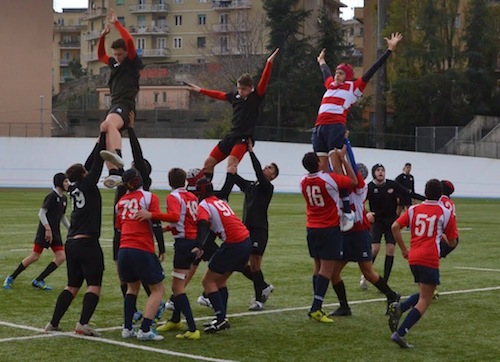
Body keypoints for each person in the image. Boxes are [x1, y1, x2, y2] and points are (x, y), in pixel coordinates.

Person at [312, 33, 403, 231]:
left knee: (336, 167)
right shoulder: (330, 85)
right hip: (319, 129)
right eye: (337, 72)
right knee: (322, 170)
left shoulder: (354, 87)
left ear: (349, 76)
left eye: (341, 73)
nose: (337, 75)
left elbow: (372, 70)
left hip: (335, 127)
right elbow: (325, 72)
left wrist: (389, 50)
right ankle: (332, 204)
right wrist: (321, 61)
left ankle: (346, 208)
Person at [103, 112, 166, 323]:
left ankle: (152, 306)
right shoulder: (126, 181)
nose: (130, 166)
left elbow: (137, 156)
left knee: (138, 277)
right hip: (121, 232)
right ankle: (136, 311)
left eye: (133, 165)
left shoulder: (140, 182)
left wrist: (130, 130)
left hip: (130, 235)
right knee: (125, 276)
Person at [44, 132, 107, 336]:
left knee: (72, 286)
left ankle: (53, 323)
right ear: (83, 175)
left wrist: (99, 139)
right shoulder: (88, 185)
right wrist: (105, 138)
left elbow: (88, 164)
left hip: (72, 243)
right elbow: (97, 161)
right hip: (88, 243)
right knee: (94, 286)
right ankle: (82, 324)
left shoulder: (74, 188)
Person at [185, 48, 279, 180]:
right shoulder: (235, 96)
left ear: (250, 88)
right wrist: (201, 90)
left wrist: (269, 62)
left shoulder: (255, 97)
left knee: (231, 165)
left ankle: (224, 194)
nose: (240, 91)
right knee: (208, 164)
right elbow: (219, 95)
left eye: (243, 89)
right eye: (239, 88)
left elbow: (264, 80)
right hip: (231, 135)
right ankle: (206, 193)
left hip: (244, 138)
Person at [388, 179, 458, 348]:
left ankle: (401, 307)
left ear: (425, 193)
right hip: (429, 257)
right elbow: (452, 242)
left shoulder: (413, 209)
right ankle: (401, 332)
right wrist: (442, 237)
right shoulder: (444, 212)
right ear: (440, 195)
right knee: (426, 300)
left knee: (425, 292)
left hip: (414, 257)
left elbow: (395, 226)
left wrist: (404, 250)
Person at [136, 168, 200, 340]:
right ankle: (175, 320)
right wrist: (165, 230)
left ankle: (192, 328)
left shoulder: (174, 196)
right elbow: (185, 219)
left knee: (177, 288)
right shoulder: (192, 197)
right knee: (179, 285)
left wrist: (151, 215)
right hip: (193, 241)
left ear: (169, 181)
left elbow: (173, 216)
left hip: (183, 244)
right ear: (185, 181)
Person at [329, 162, 400, 317]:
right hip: (346, 234)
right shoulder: (343, 187)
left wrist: (341, 154)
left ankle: (391, 295)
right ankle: (344, 307)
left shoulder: (359, 185)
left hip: (359, 234)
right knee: (334, 273)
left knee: (368, 272)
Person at [300, 149, 357, 323]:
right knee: (327, 268)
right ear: (318, 163)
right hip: (328, 228)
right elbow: (353, 181)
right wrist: (343, 160)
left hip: (312, 227)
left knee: (317, 266)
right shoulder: (328, 179)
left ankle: (316, 304)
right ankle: (316, 307)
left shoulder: (303, 181)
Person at [191, 177, 252, 333]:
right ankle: (221, 318)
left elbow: (204, 224)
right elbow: (213, 228)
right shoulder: (219, 201)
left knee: (207, 281)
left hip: (234, 244)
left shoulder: (204, 205)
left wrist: (199, 245)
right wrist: (204, 245)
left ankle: (220, 319)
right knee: (220, 281)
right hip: (245, 240)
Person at [227, 141, 279, 311]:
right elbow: (238, 181)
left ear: (273, 176)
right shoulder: (253, 186)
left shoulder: (267, 187)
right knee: (241, 264)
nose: (266, 168)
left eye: (270, 168)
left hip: (258, 230)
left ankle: (259, 300)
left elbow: (257, 170)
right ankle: (263, 286)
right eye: (267, 166)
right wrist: (232, 170)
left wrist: (250, 152)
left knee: (255, 264)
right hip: (246, 229)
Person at [115, 168, 166, 341]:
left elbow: (120, 226)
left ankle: (127, 328)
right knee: (157, 289)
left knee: (132, 288)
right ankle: (145, 329)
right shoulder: (149, 197)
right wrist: (161, 246)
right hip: (141, 247)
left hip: (124, 248)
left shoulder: (120, 201)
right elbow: (156, 222)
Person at [97, 8, 144, 188]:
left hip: (125, 104)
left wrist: (116, 23)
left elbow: (130, 40)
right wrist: (102, 37)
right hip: (115, 104)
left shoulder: (132, 62)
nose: (117, 57)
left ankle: (118, 155)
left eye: (120, 53)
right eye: (115, 54)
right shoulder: (115, 63)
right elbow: (101, 55)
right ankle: (114, 173)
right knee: (103, 136)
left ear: (126, 52)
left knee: (108, 125)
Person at [361, 163, 425, 289]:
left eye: (382, 170)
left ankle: (384, 281)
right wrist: (367, 214)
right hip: (377, 222)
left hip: (391, 221)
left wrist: (427, 198)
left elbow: (408, 193)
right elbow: (359, 203)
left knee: (390, 249)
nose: (380, 172)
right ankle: (365, 275)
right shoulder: (369, 187)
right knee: (375, 249)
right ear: (374, 173)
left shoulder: (392, 184)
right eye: (378, 170)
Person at [3, 173, 70, 291]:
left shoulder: (64, 198)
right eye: (65, 181)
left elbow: (62, 216)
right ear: (59, 183)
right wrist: (47, 229)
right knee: (34, 257)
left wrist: (71, 230)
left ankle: (39, 280)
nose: (68, 184)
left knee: (61, 257)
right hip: (44, 232)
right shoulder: (51, 196)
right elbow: (41, 213)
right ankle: (11, 277)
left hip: (55, 233)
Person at [434, 180, 459, 299]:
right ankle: (431, 287)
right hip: (453, 237)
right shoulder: (451, 202)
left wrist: (442, 234)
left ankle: (431, 288)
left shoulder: (440, 201)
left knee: (430, 260)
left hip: (443, 235)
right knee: (434, 260)